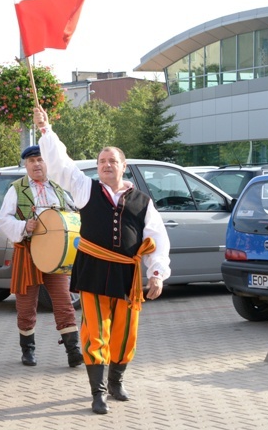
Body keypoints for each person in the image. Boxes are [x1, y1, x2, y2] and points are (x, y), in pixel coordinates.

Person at [33, 107, 171, 415]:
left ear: (124, 166)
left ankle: (117, 381)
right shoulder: (85, 189)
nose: (106, 165)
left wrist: (157, 273)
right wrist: (46, 130)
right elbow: (61, 165)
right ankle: (98, 392)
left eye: (112, 161)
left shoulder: (142, 201)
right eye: (102, 161)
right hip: (93, 270)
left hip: (126, 275)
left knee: (125, 333)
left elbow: (157, 238)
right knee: (95, 332)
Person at [0, 145, 83, 368]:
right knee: (26, 305)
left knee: (64, 302)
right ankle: (28, 350)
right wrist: (25, 225)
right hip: (28, 254)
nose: (37, 164)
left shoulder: (59, 188)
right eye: (32, 160)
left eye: (41, 160)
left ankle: (73, 350)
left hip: (56, 256)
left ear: (47, 163)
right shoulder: (16, 189)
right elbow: (3, 220)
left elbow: (74, 215)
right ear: (26, 165)